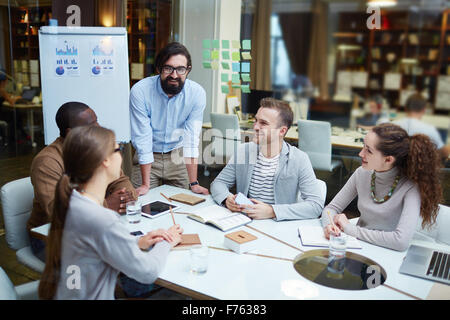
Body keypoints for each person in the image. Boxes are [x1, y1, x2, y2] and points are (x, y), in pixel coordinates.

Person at [38, 126, 183, 299]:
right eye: (118, 149)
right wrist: (166, 242)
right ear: (105, 160)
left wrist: (137, 242)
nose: (120, 156)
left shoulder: (73, 201)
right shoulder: (102, 219)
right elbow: (148, 272)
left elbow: (93, 245)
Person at [28, 102, 137, 261]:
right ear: (71, 132)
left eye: (97, 121)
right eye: (91, 125)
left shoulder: (96, 149)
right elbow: (58, 213)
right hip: (49, 238)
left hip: (91, 227)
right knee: (122, 256)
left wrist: (126, 197)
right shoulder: (47, 162)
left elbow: (122, 181)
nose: (99, 127)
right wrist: (107, 205)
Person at [322, 123, 442, 251]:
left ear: (388, 160)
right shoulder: (361, 173)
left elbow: (400, 241)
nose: (361, 154)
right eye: (363, 147)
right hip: (358, 247)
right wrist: (329, 225)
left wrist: (349, 228)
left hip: (388, 254)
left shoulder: (410, 187)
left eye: (368, 150)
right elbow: (331, 208)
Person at [210, 98, 324, 220]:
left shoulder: (299, 159)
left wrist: (272, 211)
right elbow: (218, 183)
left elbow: (316, 205)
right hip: (243, 221)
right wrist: (227, 198)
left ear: (282, 131)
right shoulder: (244, 151)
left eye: (263, 123)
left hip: (277, 226)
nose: (255, 127)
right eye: (256, 121)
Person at [130, 42, 208, 196]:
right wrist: (145, 184)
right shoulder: (140, 91)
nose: (174, 75)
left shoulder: (197, 94)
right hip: (147, 157)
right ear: (159, 68)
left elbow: (191, 139)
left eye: (180, 69)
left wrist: (194, 183)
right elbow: (143, 138)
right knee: (142, 205)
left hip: (178, 157)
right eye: (168, 68)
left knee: (181, 206)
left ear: (188, 70)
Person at [393, 93, 450, 160]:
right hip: (420, 168)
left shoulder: (392, 126)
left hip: (396, 168)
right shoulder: (429, 129)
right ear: (424, 110)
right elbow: (443, 153)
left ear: (406, 108)